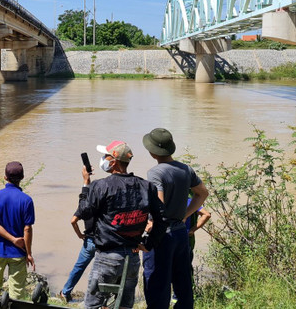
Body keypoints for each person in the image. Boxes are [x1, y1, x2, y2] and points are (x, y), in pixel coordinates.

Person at [76, 140, 167, 309]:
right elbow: (162, 218)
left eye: (105, 156)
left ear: (114, 161)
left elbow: (84, 212)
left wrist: (85, 184)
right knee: (125, 306)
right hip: (132, 258)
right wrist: (149, 243)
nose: (103, 159)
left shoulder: (101, 186)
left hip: (107, 258)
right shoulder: (146, 186)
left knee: (92, 306)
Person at [140, 128, 209, 309]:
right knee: (183, 283)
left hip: (163, 236)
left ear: (152, 152)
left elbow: (159, 206)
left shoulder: (155, 173)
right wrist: (184, 215)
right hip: (180, 233)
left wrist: (151, 225)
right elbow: (202, 193)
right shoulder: (186, 169)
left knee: (157, 284)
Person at [0, 161, 35, 298]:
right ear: (22, 177)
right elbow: (27, 229)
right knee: (17, 290)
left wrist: (11, 240)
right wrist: (28, 253)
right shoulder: (26, 200)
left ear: (5, 177)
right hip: (18, 252)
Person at [58, 211, 95, 303]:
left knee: (79, 268)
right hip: (105, 241)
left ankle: (65, 292)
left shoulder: (85, 203)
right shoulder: (103, 201)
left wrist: (80, 235)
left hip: (89, 241)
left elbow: (73, 221)